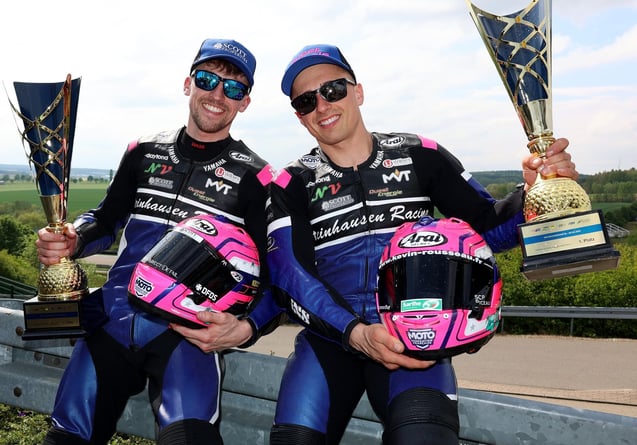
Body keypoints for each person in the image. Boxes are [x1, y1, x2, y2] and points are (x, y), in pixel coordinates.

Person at [266, 43, 581, 445]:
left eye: (333, 90)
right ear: (300, 117)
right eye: (307, 101)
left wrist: (534, 194)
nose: (323, 106)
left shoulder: (420, 155)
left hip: (417, 340)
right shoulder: (291, 181)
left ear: (357, 92)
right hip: (330, 341)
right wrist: (356, 332)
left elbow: (484, 230)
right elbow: (290, 275)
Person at [35, 38, 282, 445]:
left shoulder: (259, 178)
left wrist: (248, 327)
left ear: (245, 103)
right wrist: (73, 237)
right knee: (65, 440)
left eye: (233, 87)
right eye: (208, 79)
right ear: (189, 84)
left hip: (186, 334)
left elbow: (275, 275)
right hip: (111, 321)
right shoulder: (142, 152)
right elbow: (105, 219)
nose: (218, 94)